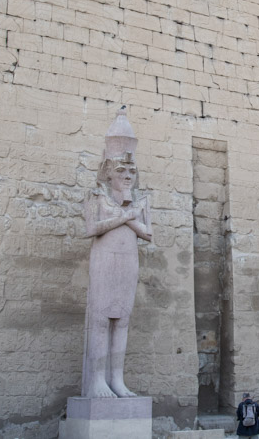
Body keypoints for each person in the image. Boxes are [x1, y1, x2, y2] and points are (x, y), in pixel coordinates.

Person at [81, 108, 153, 398]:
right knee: (101, 317)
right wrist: (124, 217)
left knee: (122, 319)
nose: (127, 176)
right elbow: (91, 229)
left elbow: (148, 233)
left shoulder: (142, 201)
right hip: (104, 258)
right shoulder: (96, 197)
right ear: (108, 172)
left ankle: (117, 379)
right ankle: (97, 379)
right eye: (121, 171)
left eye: (132, 171)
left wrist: (129, 214)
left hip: (128, 261)